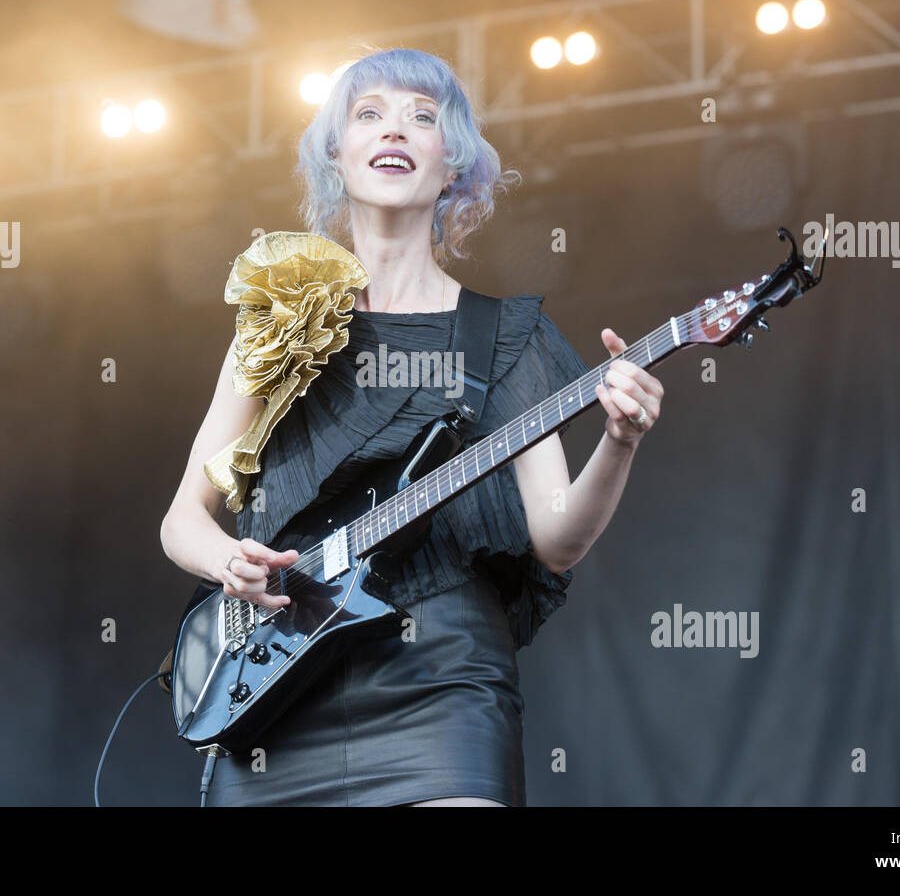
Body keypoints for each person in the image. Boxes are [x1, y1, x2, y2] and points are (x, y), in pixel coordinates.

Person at [160, 48, 663, 806]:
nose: (395, 129)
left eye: (422, 117)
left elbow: (557, 540)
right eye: (369, 114)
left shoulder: (503, 336)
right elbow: (182, 521)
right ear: (338, 153)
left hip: (442, 675)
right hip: (278, 682)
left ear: (452, 164)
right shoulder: (277, 326)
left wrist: (620, 443)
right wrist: (230, 560)